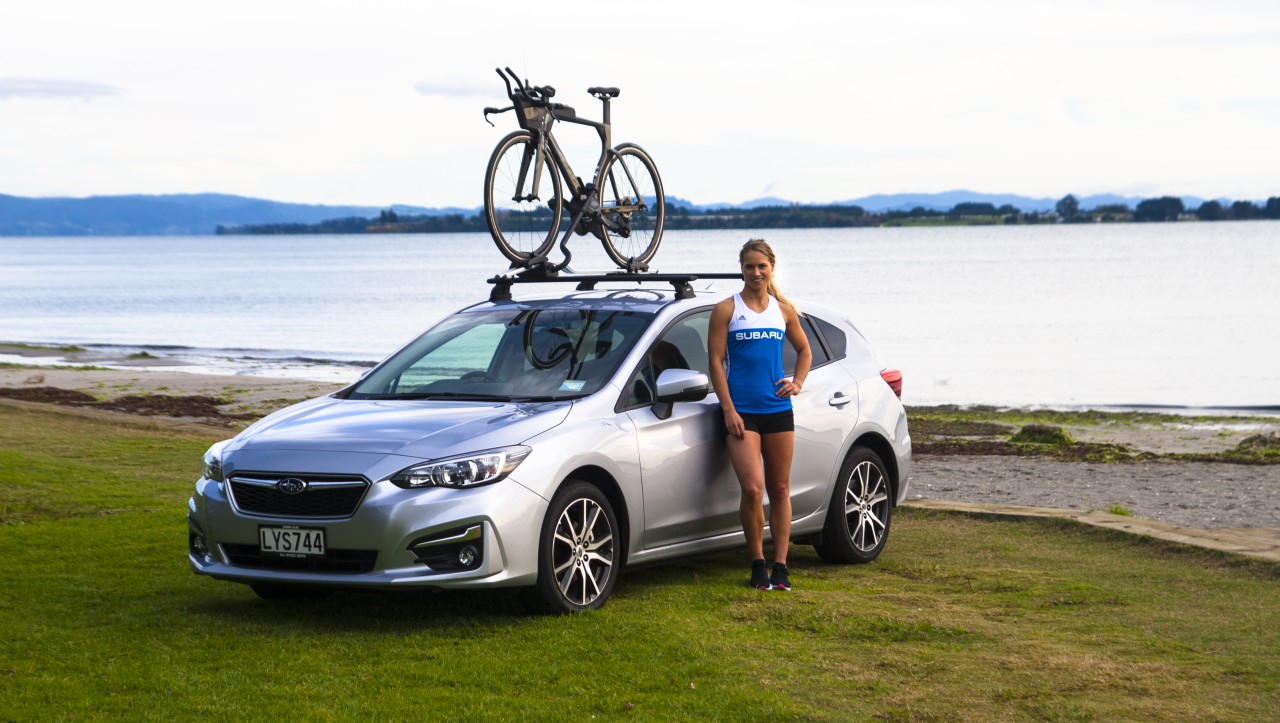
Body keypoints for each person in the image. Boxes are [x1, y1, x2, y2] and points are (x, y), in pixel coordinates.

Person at [708, 239, 811, 591]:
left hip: (778, 410)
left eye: (761, 266)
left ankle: (780, 565)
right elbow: (715, 364)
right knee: (752, 490)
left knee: (780, 489)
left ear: (771, 268)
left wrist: (797, 382)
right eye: (749, 266)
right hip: (743, 415)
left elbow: (804, 350)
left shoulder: (783, 311)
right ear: (741, 268)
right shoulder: (725, 309)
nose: (756, 272)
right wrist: (728, 410)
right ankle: (756, 562)